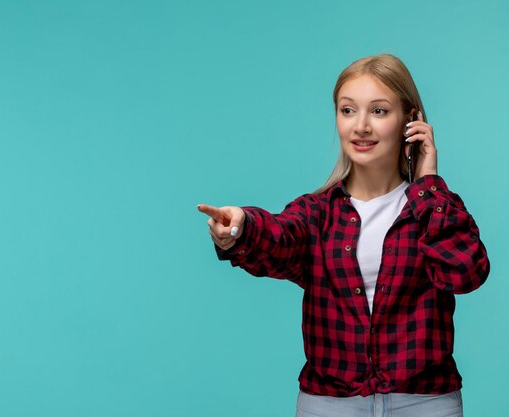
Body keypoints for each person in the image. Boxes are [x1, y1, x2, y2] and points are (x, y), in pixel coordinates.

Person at [197, 53, 490, 417]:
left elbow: (464, 274)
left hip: (426, 401)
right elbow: (280, 238)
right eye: (348, 110)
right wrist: (242, 227)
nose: (360, 126)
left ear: (410, 121)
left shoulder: (433, 207)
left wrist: (428, 183)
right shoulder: (316, 212)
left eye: (379, 111)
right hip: (330, 404)